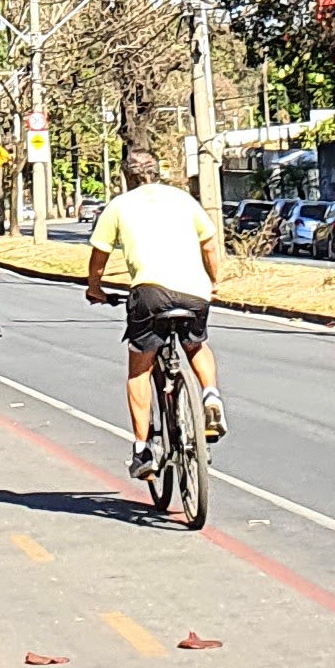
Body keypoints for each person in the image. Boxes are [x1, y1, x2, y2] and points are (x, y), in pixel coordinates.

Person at [84, 139, 229, 475]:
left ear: (127, 178)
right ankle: (209, 395)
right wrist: (214, 280)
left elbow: (99, 256)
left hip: (150, 294)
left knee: (140, 369)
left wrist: (95, 288)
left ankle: (142, 450)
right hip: (195, 292)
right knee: (195, 344)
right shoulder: (183, 200)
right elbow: (209, 242)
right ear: (158, 172)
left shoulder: (119, 206)